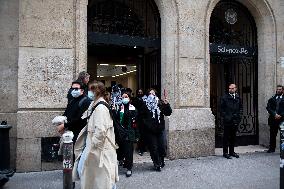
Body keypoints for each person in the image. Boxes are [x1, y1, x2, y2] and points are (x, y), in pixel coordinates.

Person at [73, 81, 119, 189]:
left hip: (98, 148)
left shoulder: (101, 108)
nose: (89, 92)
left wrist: (93, 146)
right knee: (90, 173)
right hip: (93, 146)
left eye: (90, 90)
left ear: (96, 91)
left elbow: (101, 131)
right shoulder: (95, 103)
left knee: (103, 178)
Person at [143, 89, 172, 171]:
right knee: (153, 148)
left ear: (156, 94)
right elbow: (142, 117)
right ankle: (157, 163)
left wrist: (167, 105)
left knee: (162, 146)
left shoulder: (160, 103)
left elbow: (168, 113)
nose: (152, 94)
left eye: (153, 93)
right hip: (150, 131)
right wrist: (148, 126)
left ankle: (162, 160)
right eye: (150, 93)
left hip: (160, 129)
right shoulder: (145, 104)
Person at [113, 91, 139, 177]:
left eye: (126, 97)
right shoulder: (119, 108)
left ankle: (129, 168)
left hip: (129, 133)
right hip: (120, 133)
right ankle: (120, 159)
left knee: (129, 151)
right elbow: (115, 120)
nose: (124, 98)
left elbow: (135, 123)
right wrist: (113, 111)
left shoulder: (133, 109)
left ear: (129, 99)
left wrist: (136, 135)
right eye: (123, 97)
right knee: (120, 149)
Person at [221, 84, 243, 159]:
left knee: (233, 137)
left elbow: (241, 108)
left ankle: (232, 152)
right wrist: (226, 117)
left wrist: (239, 117)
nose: (230, 89)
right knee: (226, 137)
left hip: (235, 120)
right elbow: (221, 109)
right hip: (228, 120)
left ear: (235, 89)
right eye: (229, 88)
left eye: (232, 88)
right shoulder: (224, 97)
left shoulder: (238, 97)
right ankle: (225, 152)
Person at [266, 85, 284, 153]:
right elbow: (268, 107)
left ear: (282, 90)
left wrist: (280, 115)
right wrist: (274, 114)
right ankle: (272, 148)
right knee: (272, 134)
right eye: (277, 89)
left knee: (283, 135)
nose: (278, 90)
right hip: (273, 119)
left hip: (282, 119)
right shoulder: (272, 98)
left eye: (280, 89)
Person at [132, 89, 147, 156]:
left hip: (145, 120)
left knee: (144, 135)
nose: (140, 93)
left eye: (141, 92)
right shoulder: (135, 100)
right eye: (139, 92)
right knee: (139, 134)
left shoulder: (146, 99)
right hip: (138, 119)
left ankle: (143, 148)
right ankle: (140, 148)